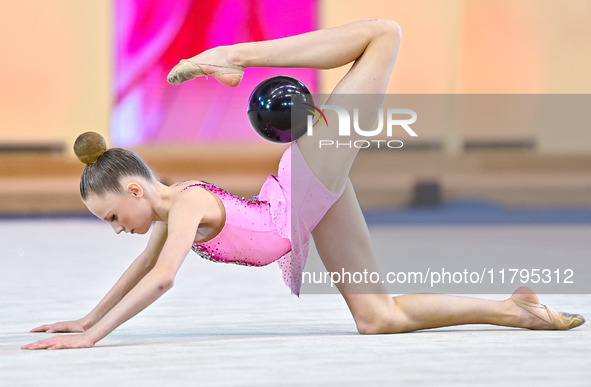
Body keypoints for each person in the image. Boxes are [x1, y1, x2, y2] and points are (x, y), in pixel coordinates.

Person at [22, 20, 584, 350]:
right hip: (303, 204)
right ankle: (513, 310)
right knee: (378, 318)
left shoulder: (187, 202)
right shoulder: (172, 212)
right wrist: (87, 317)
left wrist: (94, 338)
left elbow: (163, 278)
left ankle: (233, 54)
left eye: (114, 216)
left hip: (303, 182)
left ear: (135, 191)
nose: (117, 229)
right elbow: (141, 269)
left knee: (384, 35)